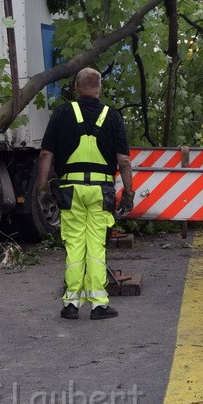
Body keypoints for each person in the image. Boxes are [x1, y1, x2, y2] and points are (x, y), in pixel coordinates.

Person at [36, 68, 133, 321]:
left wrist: (42, 189)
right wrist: (129, 193)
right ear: (99, 88)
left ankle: (71, 304)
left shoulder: (62, 113)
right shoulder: (112, 116)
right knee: (96, 247)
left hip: (71, 191)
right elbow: (123, 160)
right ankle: (99, 305)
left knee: (74, 244)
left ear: (76, 87)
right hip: (102, 191)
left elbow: (46, 155)